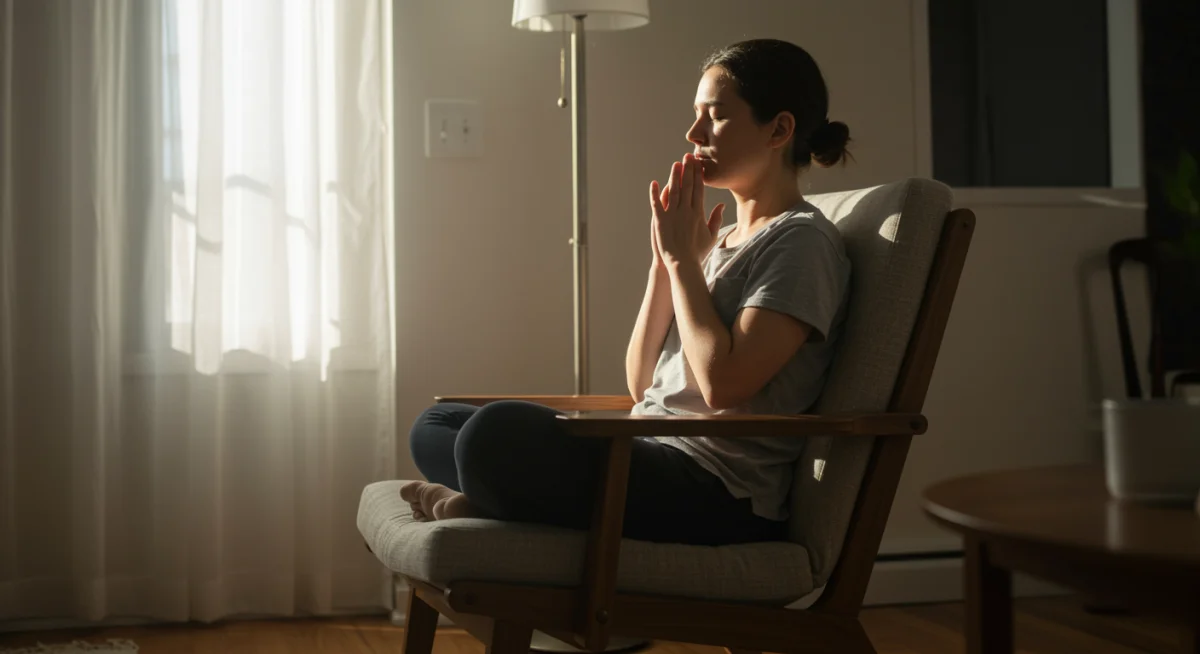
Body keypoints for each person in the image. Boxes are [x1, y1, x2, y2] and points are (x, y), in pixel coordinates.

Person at [400, 39, 852, 546]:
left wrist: (684, 263)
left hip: (717, 489)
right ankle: (492, 502)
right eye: (695, 115)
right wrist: (666, 263)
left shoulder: (801, 242)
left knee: (494, 433)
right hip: (647, 449)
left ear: (780, 129)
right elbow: (641, 385)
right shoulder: (720, 240)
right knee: (436, 424)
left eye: (715, 116)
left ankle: (487, 503)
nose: (693, 133)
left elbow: (723, 386)